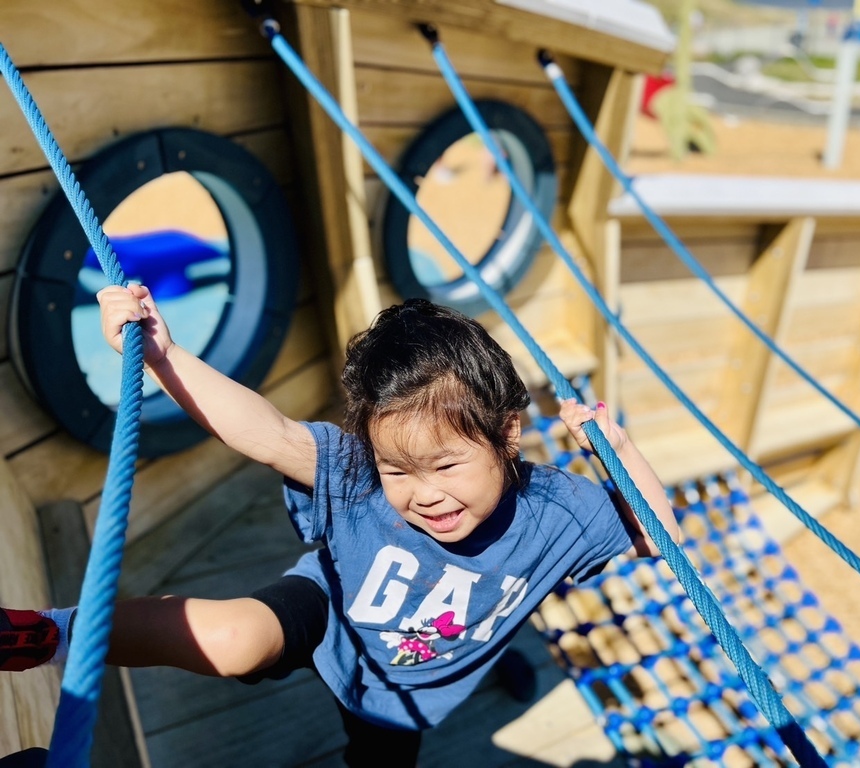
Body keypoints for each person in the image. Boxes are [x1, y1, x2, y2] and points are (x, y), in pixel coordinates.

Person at [1, 285, 680, 767]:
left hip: (403, 692)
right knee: (238, 639)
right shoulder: (356, 471)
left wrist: (618, 452)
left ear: (508, 434)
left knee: (380, 760)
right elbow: (265, 433)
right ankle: (46, 632)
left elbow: (661, 539)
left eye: (445, 465)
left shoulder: (560, 512)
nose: (424, 494)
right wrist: (162, 356)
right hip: (329, 606)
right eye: (398, 470)